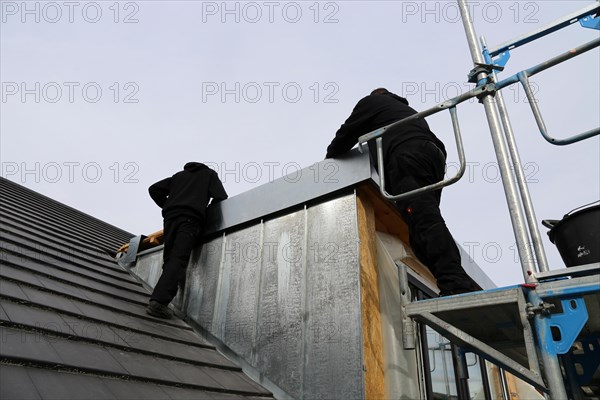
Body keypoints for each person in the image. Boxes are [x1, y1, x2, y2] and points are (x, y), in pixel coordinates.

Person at [326, 88, 478, 296]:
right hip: (434, 156)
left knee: (424, 219)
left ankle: (455, 283)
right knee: (419, 229)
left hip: (407, 152)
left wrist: (329, 160)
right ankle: (448, 281)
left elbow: (346, 134)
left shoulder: (370, 102)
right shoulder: (405, 110)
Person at [146, 162, 228, 318]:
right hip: (190, 219)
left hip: (170, 219)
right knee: (178, 258)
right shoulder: (209, 174)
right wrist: (204, 212)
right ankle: (158, 303)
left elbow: (154, 189)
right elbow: (220, 196)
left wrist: (168, 205)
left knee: (169, 258)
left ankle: (159, 298)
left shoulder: (179, 176)